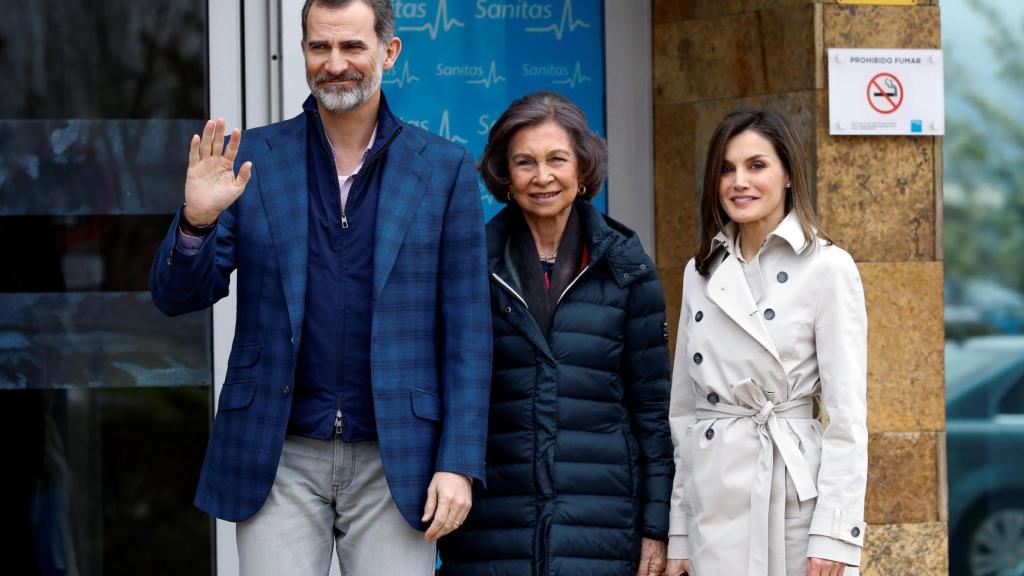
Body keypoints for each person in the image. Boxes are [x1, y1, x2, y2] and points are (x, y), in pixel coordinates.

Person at [149, 1, 491, 574]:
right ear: (304, 52)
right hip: (275, 454)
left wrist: (458, 462)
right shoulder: (254, 158)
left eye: (352, 46)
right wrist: (195, 222)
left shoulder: (444, 169)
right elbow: (178, 295)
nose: (335, 63)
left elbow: (468, 333)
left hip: (397, 459)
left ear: (388, 51)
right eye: (320, 47)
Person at [437, 91, 674, 576]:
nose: (542, 177)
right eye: (524, 162)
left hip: (603, 528)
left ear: (583, 169)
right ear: (505, 176)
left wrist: (658, 526)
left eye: (557, 160)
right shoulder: (468, 265)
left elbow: (653, 411)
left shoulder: (627, 268)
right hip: (492, 527)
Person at [664, 108, 868, 576]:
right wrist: (680, 531)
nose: (740, 182)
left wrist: (836, 533)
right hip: (712, 499)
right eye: (726, 169)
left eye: (756, 166)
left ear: (789, 175)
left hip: (794, 501)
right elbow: (686, 416)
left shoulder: (829, 267)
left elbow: (847, 417)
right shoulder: (700, 272)